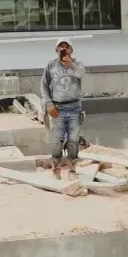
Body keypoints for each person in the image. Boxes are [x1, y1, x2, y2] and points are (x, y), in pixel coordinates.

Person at [41, 39, 86, 174]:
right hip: (58, 109)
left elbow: (81, 74)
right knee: (57, 141)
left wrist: (70, 65)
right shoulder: (51, 66)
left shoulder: (77, 64)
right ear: (56, 50)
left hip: (74, 108)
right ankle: (56, 167)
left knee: (73, 141)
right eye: (61, 48)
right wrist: (48, 103)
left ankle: (72, 167)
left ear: (71, 50)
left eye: (67, 47)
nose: (64, 50)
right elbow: (44, 85)